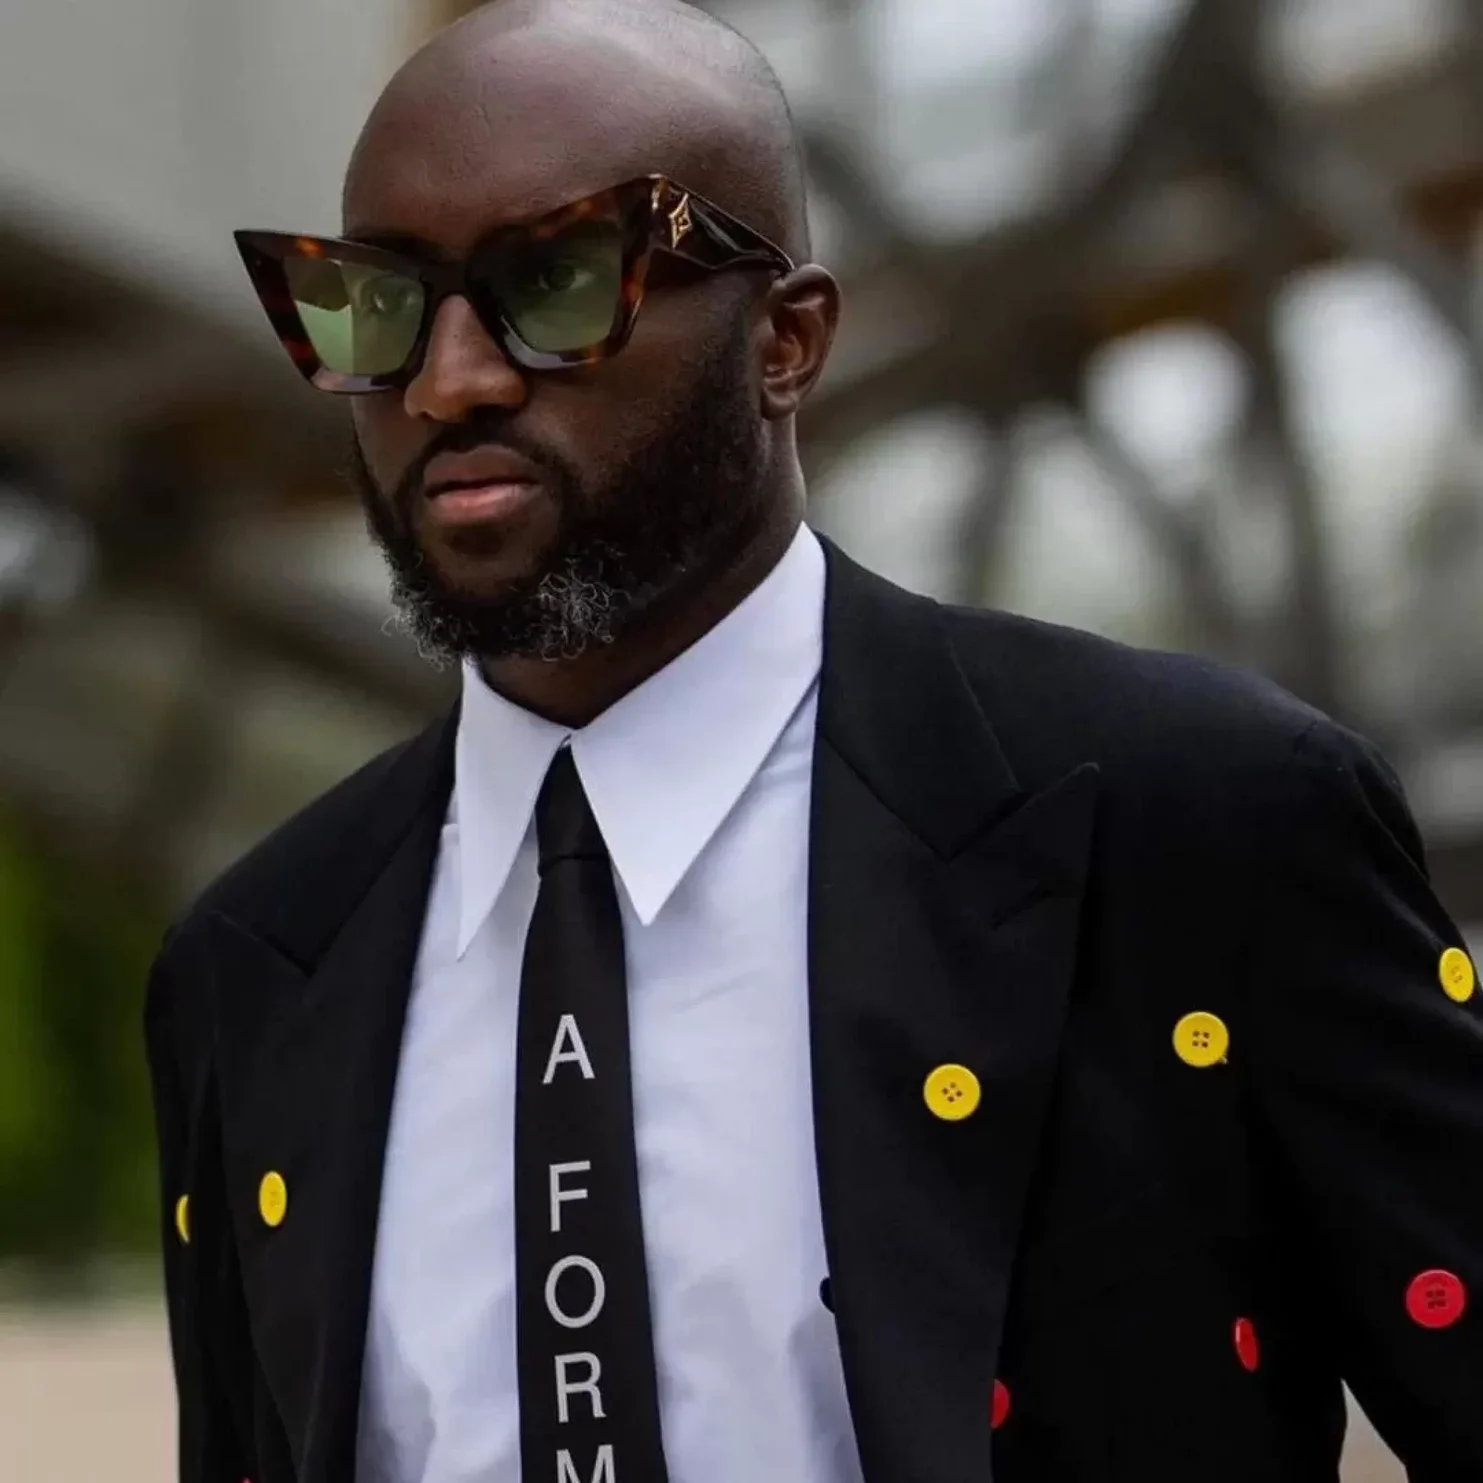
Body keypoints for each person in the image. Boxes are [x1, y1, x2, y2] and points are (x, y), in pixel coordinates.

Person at [143, 1, 1483, 1479]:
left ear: (785, 340)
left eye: (559, 280)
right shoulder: (254, 963)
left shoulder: (1197, 822)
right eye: (374, 302)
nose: (448, 379)